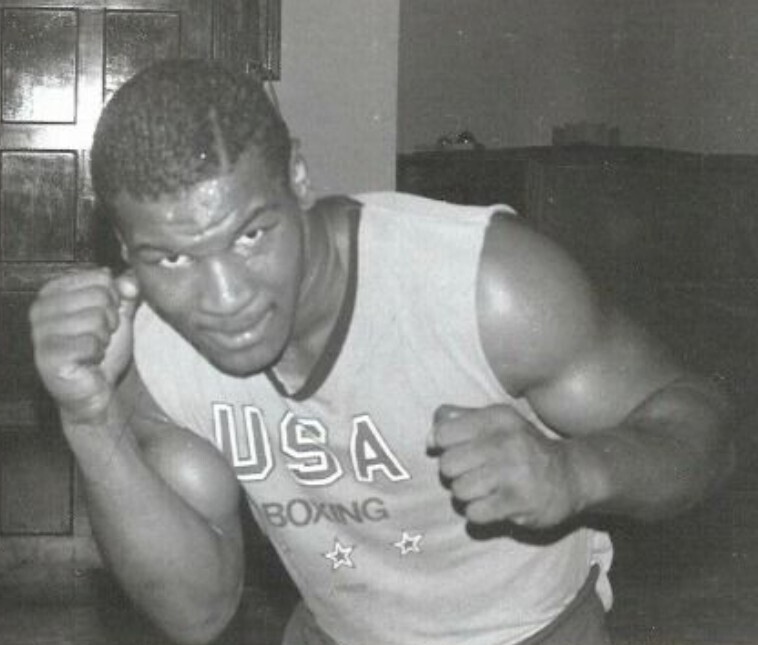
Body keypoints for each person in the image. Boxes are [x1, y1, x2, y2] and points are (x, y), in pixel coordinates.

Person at [30, 58, 733, 645]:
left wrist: (576, 470)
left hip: (532, 631)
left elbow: (705, 425)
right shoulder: (152, 353)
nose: (224, 298)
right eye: (171, 258)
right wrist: (91, 421)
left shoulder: (484, 285)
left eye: (250, 235)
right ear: (125, 249)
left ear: (298, 178)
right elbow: (198, 612)